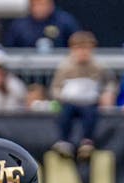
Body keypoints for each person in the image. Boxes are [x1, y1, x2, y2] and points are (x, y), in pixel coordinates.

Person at [50, 31, 114, 160]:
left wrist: (106, 94)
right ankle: (64, 141)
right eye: (78, 49)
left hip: (90, 102)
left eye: (86, 49)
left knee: (90, 114)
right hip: (69, 102)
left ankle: (87, 141)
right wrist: (61, 96)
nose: (82, 53)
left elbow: (109, 83)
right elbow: (55, 87)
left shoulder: (99, 67)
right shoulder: (65, 67)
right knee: (65, 114)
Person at [2, 0, 81, 49]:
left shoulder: (65, 21)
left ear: (51, 4)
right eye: (36, 4)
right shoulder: (19, 26)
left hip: (61, 69)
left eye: (43, 4)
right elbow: (10, 49)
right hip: (27, 71)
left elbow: (78, 42)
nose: (40, 8)